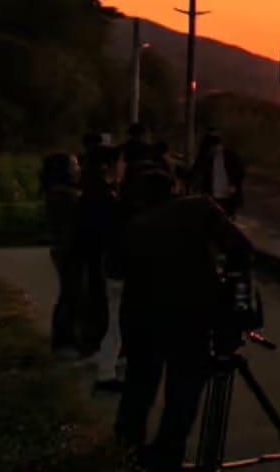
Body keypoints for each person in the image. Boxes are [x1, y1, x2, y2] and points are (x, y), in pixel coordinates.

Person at [115, 180, 251, 472]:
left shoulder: (130, 222)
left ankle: (125, 450)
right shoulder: (199, 207)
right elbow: (241, 248)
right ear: (173, 190)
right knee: (184, 390)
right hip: (190, 316)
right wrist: (225, 281)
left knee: (139, 385)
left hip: (140, 316)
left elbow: (114, 269)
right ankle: (166, 456)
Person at [75, 146, 126, 387]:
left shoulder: (91, 192)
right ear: (108, 166)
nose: (123, 167)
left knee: (105, 315)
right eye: (120, 162)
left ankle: (99, 357)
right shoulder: (104, 197)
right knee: (113, 319)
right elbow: (110, 233)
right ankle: (106, 372)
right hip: (106, 264)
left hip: (95, 262)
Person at [40, 153, 83, 357]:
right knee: (71, 294)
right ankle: (65, 341)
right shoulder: (63, 195)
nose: (78, 169)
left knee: (69, 293)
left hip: (62, 248)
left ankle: (65, 339)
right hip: (68, 249)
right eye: (74, 165)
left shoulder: (55, 193)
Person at [188, 131, 245, 217]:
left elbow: (240, 171)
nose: (211, 151)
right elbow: (195, 171)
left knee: (227, 220)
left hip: (228, 196)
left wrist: (234, 185)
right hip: (212, 195)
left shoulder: (230, 155)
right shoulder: (206, 157)